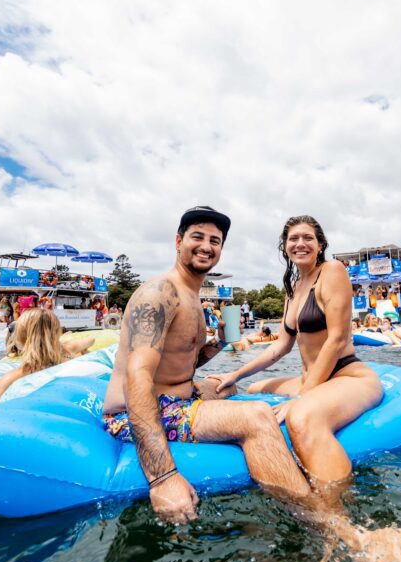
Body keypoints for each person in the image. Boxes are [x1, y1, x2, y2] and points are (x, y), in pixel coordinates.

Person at [211, 214, 401, 562]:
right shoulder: (291, 289)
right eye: (293, 239)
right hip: (308, 380)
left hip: (347, 376)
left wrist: (304, 397)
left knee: (302, 418)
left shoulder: (332, 272)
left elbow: (334, 339)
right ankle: (327, 521)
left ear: (320, 244)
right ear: (284, 247)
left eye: (307, 238)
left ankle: (346, 531)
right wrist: (234, 373)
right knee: (254, 389)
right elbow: (279, 348)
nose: (300, 244)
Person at [102, 207, 314, 527]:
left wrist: (220, 343)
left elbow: (188, 361)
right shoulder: (160, 293)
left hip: (178, 399)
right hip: (131, 413)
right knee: (255, 416)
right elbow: (138, 375)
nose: (206, 246)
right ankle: (325, 524)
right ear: (178, 241)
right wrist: (163, 478)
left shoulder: (193, 298)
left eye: (215, 240)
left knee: (226, 385)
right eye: (197, 237)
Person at [0, 309, 94, 413]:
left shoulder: (18, 374)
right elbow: (91, 340)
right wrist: (83, 352)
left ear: (22, 336)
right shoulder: (67, 350)